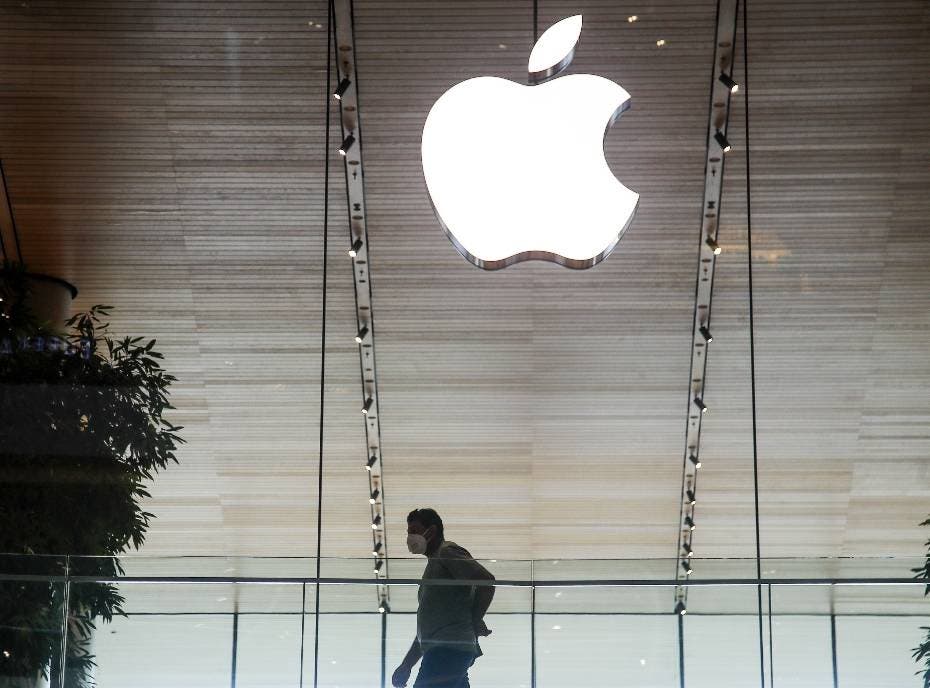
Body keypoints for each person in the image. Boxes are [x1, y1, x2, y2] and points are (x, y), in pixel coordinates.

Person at [391, 508, 495, 688]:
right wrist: (407, 664)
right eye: (409, 533)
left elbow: (486, 581)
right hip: (447, 649)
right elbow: (428, 629)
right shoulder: (432, 566)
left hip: (448, 650)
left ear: (431, 531)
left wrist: (475, 620)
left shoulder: (446, 552)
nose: (410, 538)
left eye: (414, 531)